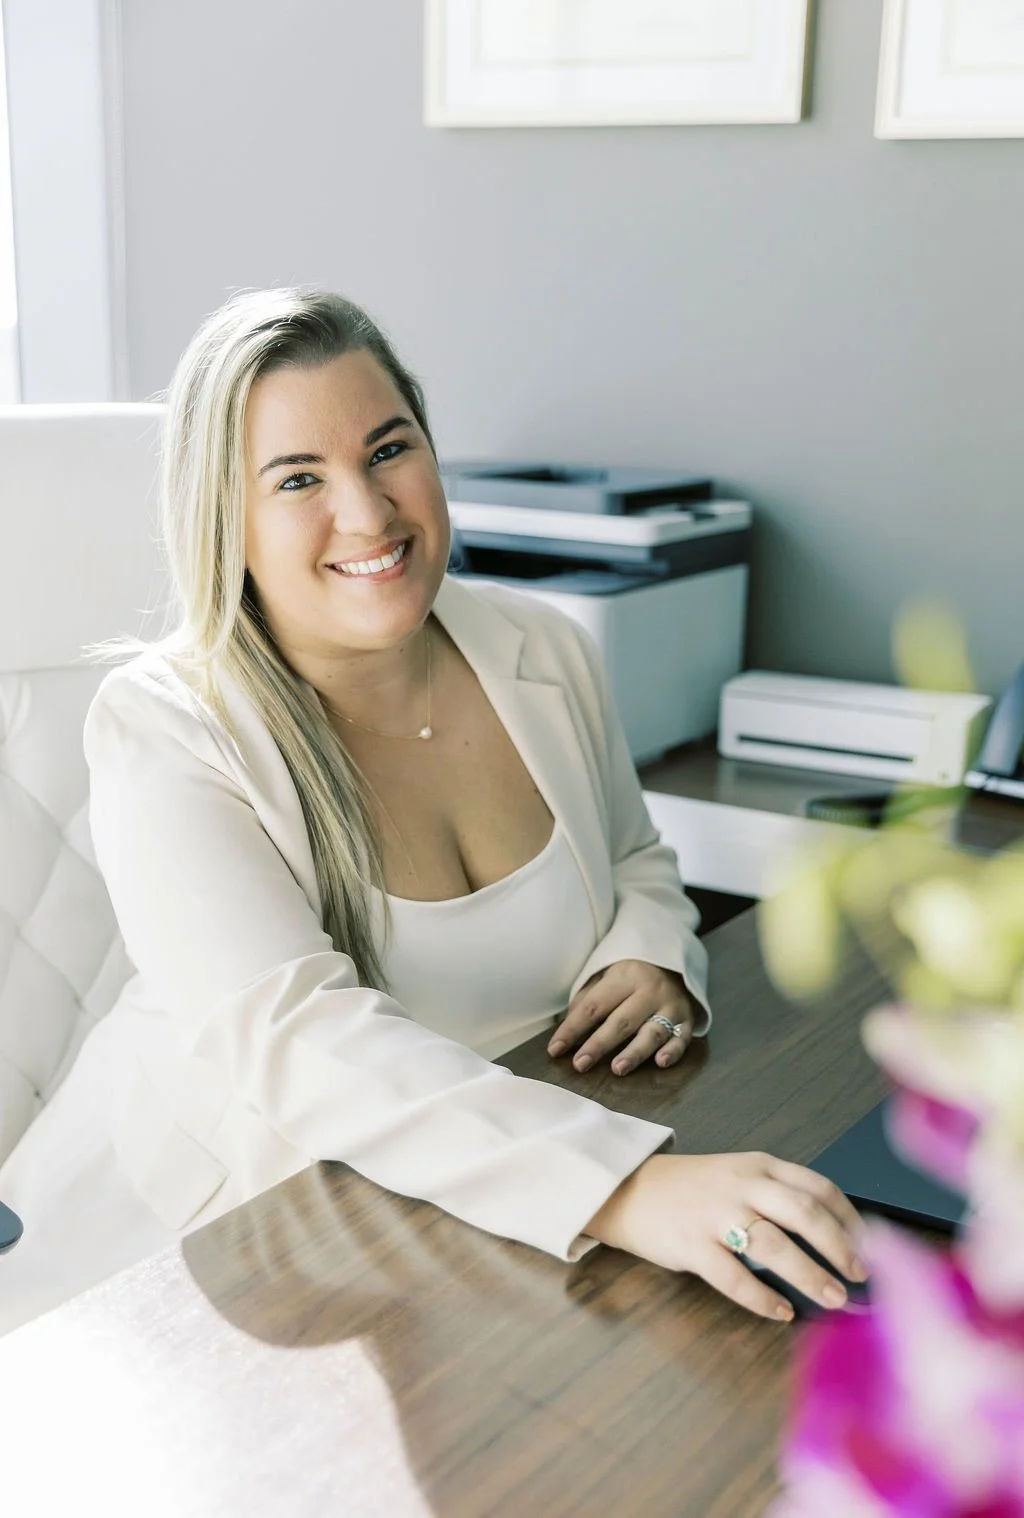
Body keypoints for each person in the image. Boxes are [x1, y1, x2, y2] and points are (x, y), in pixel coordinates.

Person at [0, 289, 865, 1335]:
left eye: (387, 449)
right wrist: (627, 1190)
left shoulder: (543, 648)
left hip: (476, 1200)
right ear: (224, 517)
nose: (366, 514)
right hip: (207, 1247)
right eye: (298, 479)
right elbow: (299, 1042)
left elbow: (635, 855)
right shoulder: (165, 727)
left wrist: (649, 956)